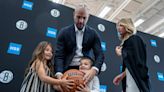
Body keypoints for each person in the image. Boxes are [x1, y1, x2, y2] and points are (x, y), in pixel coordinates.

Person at [54, 4, 104, 86]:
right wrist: (59, 73)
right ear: (74, 14)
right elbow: (59, 55)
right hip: (67, 69)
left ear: (88, 17)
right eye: (78, 17)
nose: (81, 21)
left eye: (84, 18)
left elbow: (100, 54)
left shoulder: (93, 34)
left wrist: (94, 69)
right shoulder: (64, 32)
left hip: (85, 70)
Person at [113, 18, 151, 92]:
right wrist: (122, 75)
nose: (118, 28)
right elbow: (131, 65)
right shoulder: (127, 42)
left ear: (127, 26)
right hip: (130, 80)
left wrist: (121, 53)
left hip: (136, 81)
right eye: (118, 26)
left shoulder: (135, 39)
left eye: (121, 25)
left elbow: (139, 63)